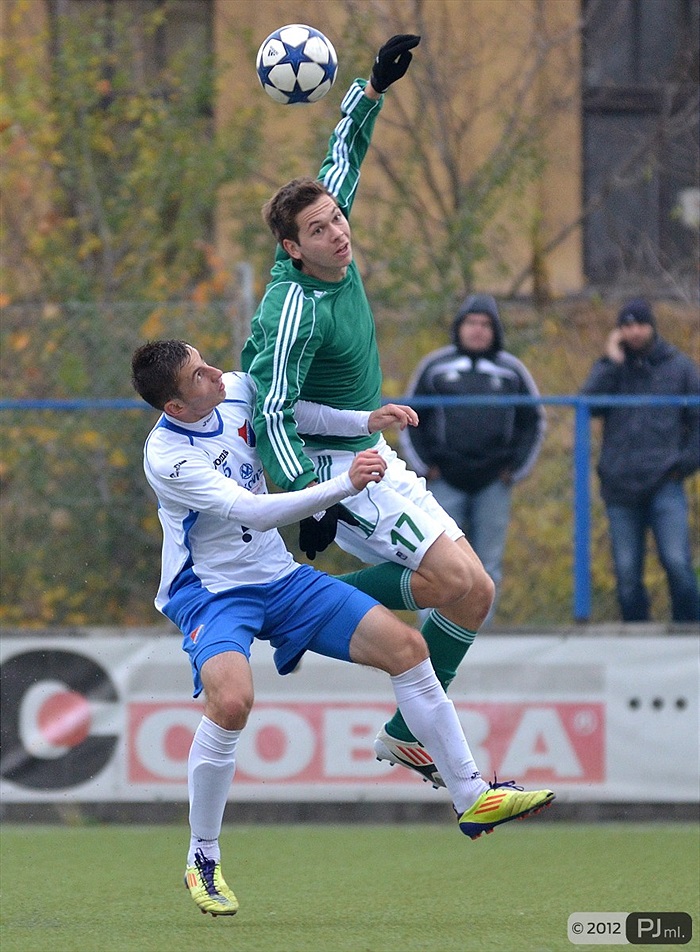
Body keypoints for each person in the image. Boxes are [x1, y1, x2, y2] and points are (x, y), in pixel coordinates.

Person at [131, 339, 555, 917]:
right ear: (176, 406)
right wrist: (343, 485)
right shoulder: (168, 457)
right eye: (198, 375)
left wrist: (365, 421)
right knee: (231, 703)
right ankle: (202, 856)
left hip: (278, 577)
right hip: (212, 592)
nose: (214, 373)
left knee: (407, 647)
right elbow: (254, 511)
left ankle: (472, 795)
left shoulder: (233, 389)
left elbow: (294, 413)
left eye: (204, 360)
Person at [241, 35, 495, 790]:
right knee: (452, 581)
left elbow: (342, 157)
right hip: (334, 465)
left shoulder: (332, 243)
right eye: (319, 229)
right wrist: (311, 501)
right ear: (292, 248)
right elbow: (273, 410)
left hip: (369, 448)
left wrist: (373, 89)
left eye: (336, 220)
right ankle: (297, 609)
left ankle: (404, 734)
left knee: (476, 592)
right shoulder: (294, 307)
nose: (338, 231)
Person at [399, 294, 545, 625]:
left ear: (495, 330)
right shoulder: (435, 367)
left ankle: (479, 633)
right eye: (471, 322)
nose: (478, 330)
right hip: (444, 481)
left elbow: (533, 422)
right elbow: (411, 419)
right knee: (435, 559)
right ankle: (432, 634)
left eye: (485, 324)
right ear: (459, 327)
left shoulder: (512, 371)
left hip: (493, 481)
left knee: (486, 564)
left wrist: (514, 470)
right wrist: (425, 467)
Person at [580, 299, 700, 623]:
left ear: (652, 327)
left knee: (677, 563)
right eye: (627, 326)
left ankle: (689, 634)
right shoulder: (613, 369)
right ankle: (636, 639)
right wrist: (610, 361)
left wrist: (683, 465)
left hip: (665, 482)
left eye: (640, 325)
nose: (634, 332)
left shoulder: (679, 367)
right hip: (620, 485)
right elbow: (587, 405)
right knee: (627, 573)